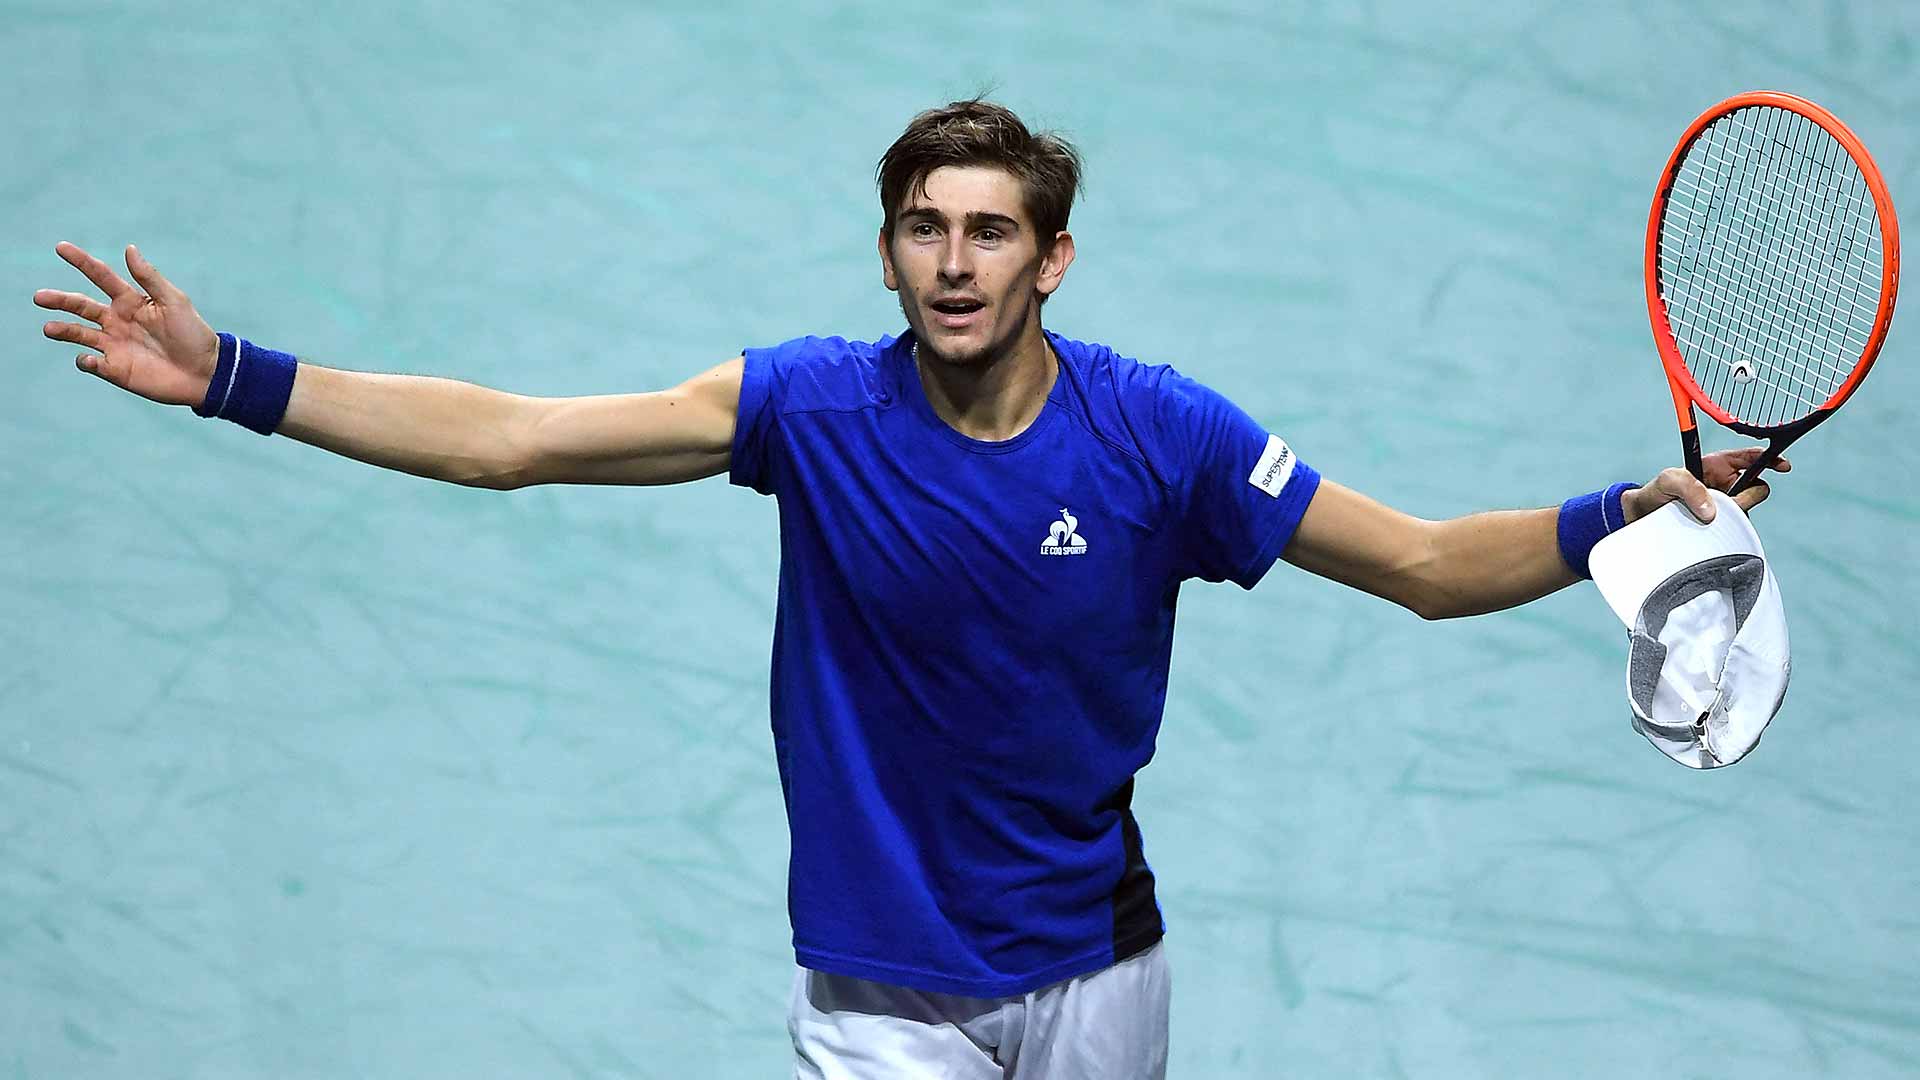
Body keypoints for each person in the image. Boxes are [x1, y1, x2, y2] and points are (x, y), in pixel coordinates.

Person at [34, 99, 1784, 1078]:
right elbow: (516, 437)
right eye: (924, 229)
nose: (954, 261)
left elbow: (1413, 564)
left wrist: (1616, 511)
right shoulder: (809, 408)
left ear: (1052, 256)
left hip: (1102, 974)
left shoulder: (1160, 437)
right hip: (883, 994)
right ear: (890, 247)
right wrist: (238, 377)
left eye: (991, 230)